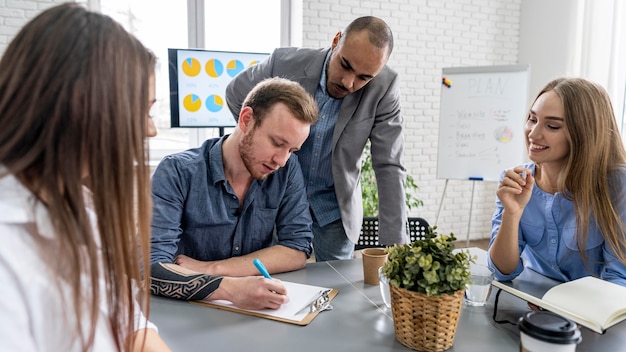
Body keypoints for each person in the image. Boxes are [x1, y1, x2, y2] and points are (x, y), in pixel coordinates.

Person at [0, 3, 171, 351]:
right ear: (83, 105)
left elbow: (128, 323)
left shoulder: (81, 208)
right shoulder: (9, 247)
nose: (150, 130)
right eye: (142, 110)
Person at [226, 16, 409, 262]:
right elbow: (235, 93)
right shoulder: (284, 63)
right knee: (272, 284)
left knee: (339, 290)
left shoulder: (385, 87)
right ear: (336, 41)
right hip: (276, 203)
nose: (348, 82)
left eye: (364, 77)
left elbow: (389, 164)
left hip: (333, 211)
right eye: (345, 65)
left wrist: (396, 243)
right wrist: (263, 138)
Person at [149, 77, 318, 309]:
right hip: (186, 311)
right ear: (246, 120)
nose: (282, 160)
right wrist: (230, 288)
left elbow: (297, 249)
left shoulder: (287, 170)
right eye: (277, 143)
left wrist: (213, 269)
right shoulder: (177, 172)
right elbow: (151, 267)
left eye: (292, 149)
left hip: (255, 312)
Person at [489, 77, 626, 287]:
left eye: (552, 126)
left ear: (584, 133)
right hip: (532, 306)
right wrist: (512, 214)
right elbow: (501, 272)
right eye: (532, 119)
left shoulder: (618, 184)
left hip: (593, 313)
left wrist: (562, 304)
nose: (533, 134)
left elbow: (618, 279)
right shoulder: (517, 180)